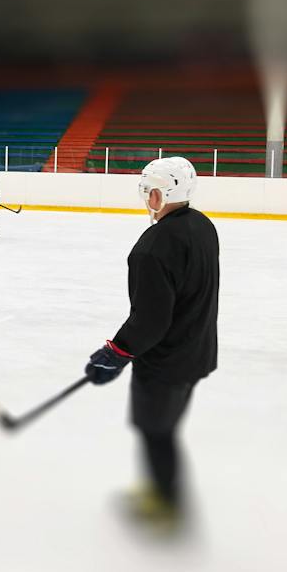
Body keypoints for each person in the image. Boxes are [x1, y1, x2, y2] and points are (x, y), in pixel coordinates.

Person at [82, 156, 220, 535]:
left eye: (147, 192)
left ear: (159, 195)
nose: (145, 199)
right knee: (166, 427)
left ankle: (164, 506)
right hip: (197, 351)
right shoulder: (203, 226)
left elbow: (150, 320)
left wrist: (115, 353)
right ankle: (164, 494)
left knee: (155, 429)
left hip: (166, 361)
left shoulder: (153, 247)